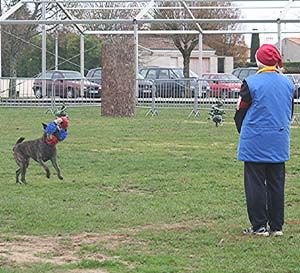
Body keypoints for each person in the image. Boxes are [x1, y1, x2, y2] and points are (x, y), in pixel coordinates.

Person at [234, 44, 295, 237]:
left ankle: (259, 226)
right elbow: (289, 112)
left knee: (255, 185)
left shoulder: (251, 83)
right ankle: (277, 226)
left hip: (255, 141)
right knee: (277, 184)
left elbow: (241, 111)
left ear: (259, 61)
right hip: (279, 139)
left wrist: (242, 130)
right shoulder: (289, 84)